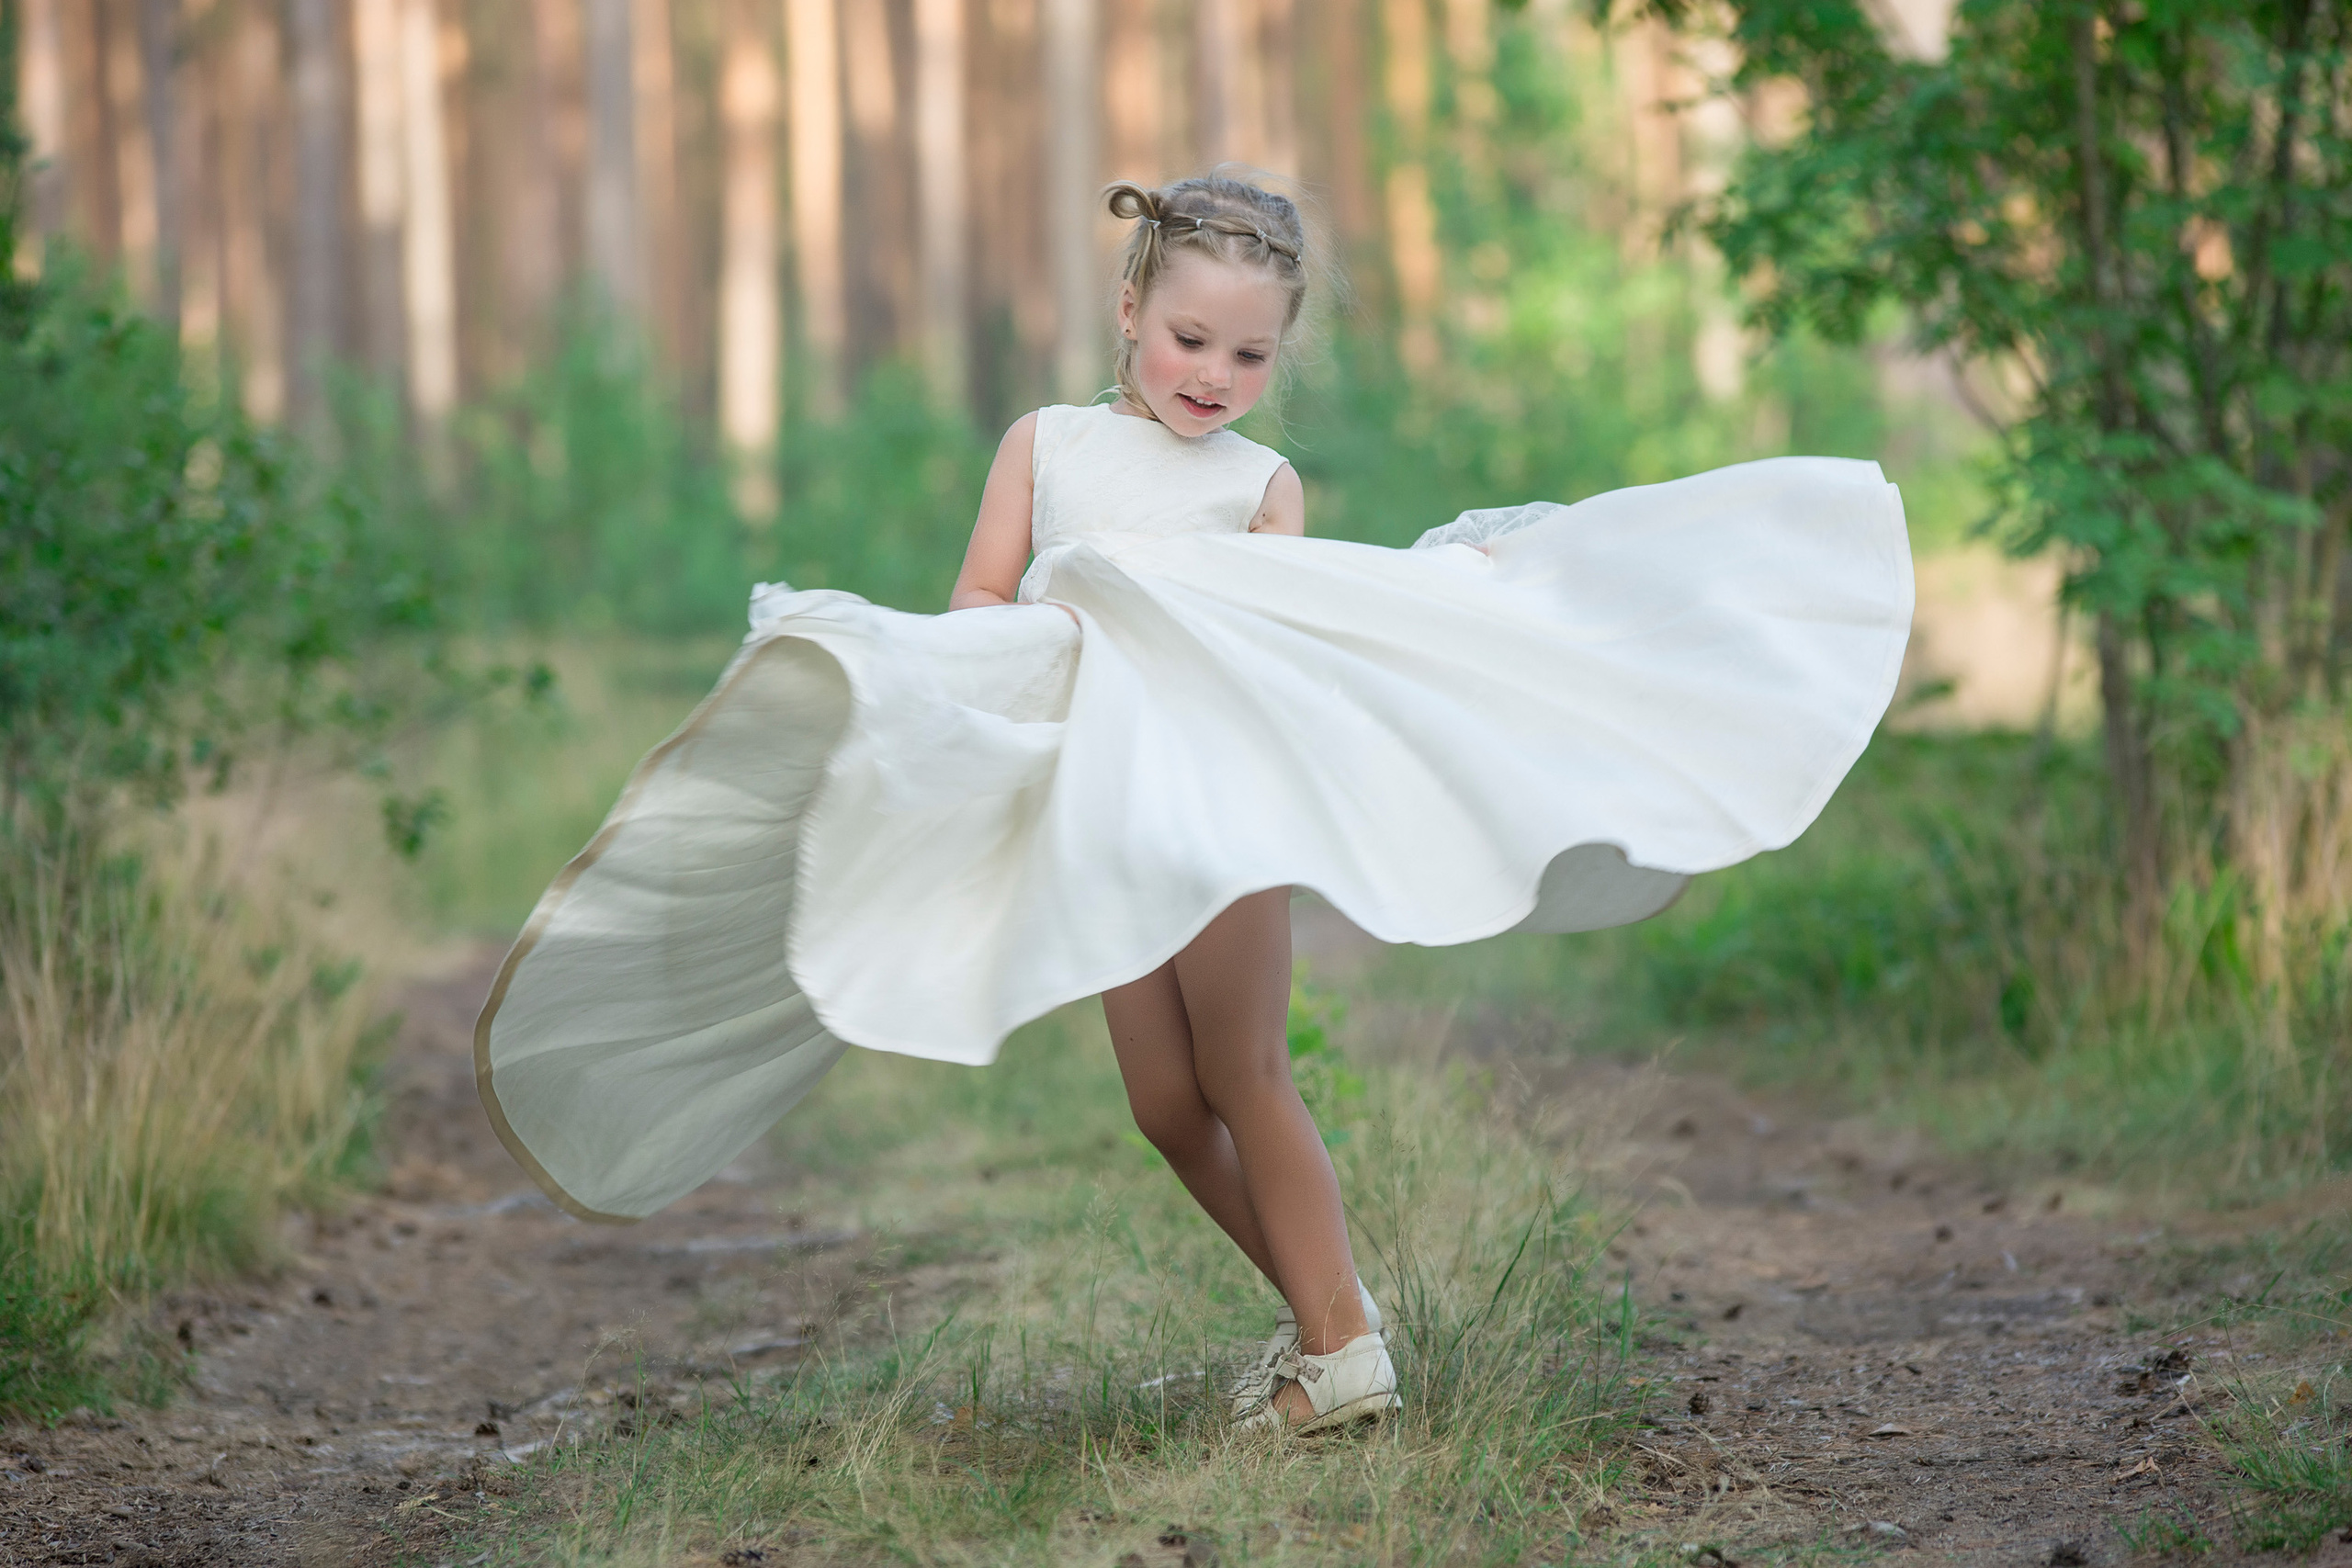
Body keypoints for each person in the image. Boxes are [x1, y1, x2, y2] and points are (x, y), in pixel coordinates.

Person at [473, 173, 1914, 1435]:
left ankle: (1339, 1346)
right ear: (1127, 310)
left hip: (1222, 807)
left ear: (1278, 359)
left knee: (1244, 1074)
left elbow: (1284, 646)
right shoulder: (1046, 444)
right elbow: (982, 601)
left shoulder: (1262, 484)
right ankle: (1332, 1317)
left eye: (1248, 353)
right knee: (1164, 1107)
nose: (1212, 374)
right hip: (1102, 809)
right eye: (1188, 339)